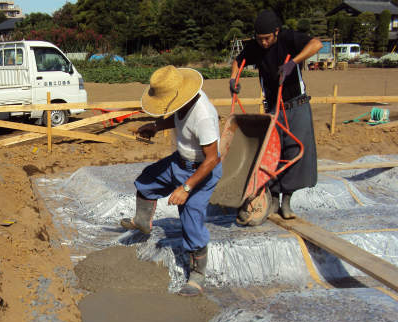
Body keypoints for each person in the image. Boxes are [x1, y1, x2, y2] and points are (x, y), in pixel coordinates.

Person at [121, 65, 222, 296]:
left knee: (191, 219)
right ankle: (142, 221)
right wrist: (156, 126)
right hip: (181, 161)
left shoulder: (203, 115)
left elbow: (212, 159)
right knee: (147, 180)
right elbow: (176, 117)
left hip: (201, 171)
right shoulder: (182, 103)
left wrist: (186, 189)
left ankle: (197, 275)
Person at [230, 9, 322, 219]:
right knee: (271, 154)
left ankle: (287, 201)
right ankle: (271, 199)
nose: (263, 43)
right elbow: (238, 61)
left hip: (295, 105)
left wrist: (294, 62)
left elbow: (316, 44)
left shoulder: (288, 38)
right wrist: (234, 79)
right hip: (273, 109)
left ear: (276, 32)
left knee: (294, 153)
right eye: (259, 39)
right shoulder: (255, 47)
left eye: (267, 38)